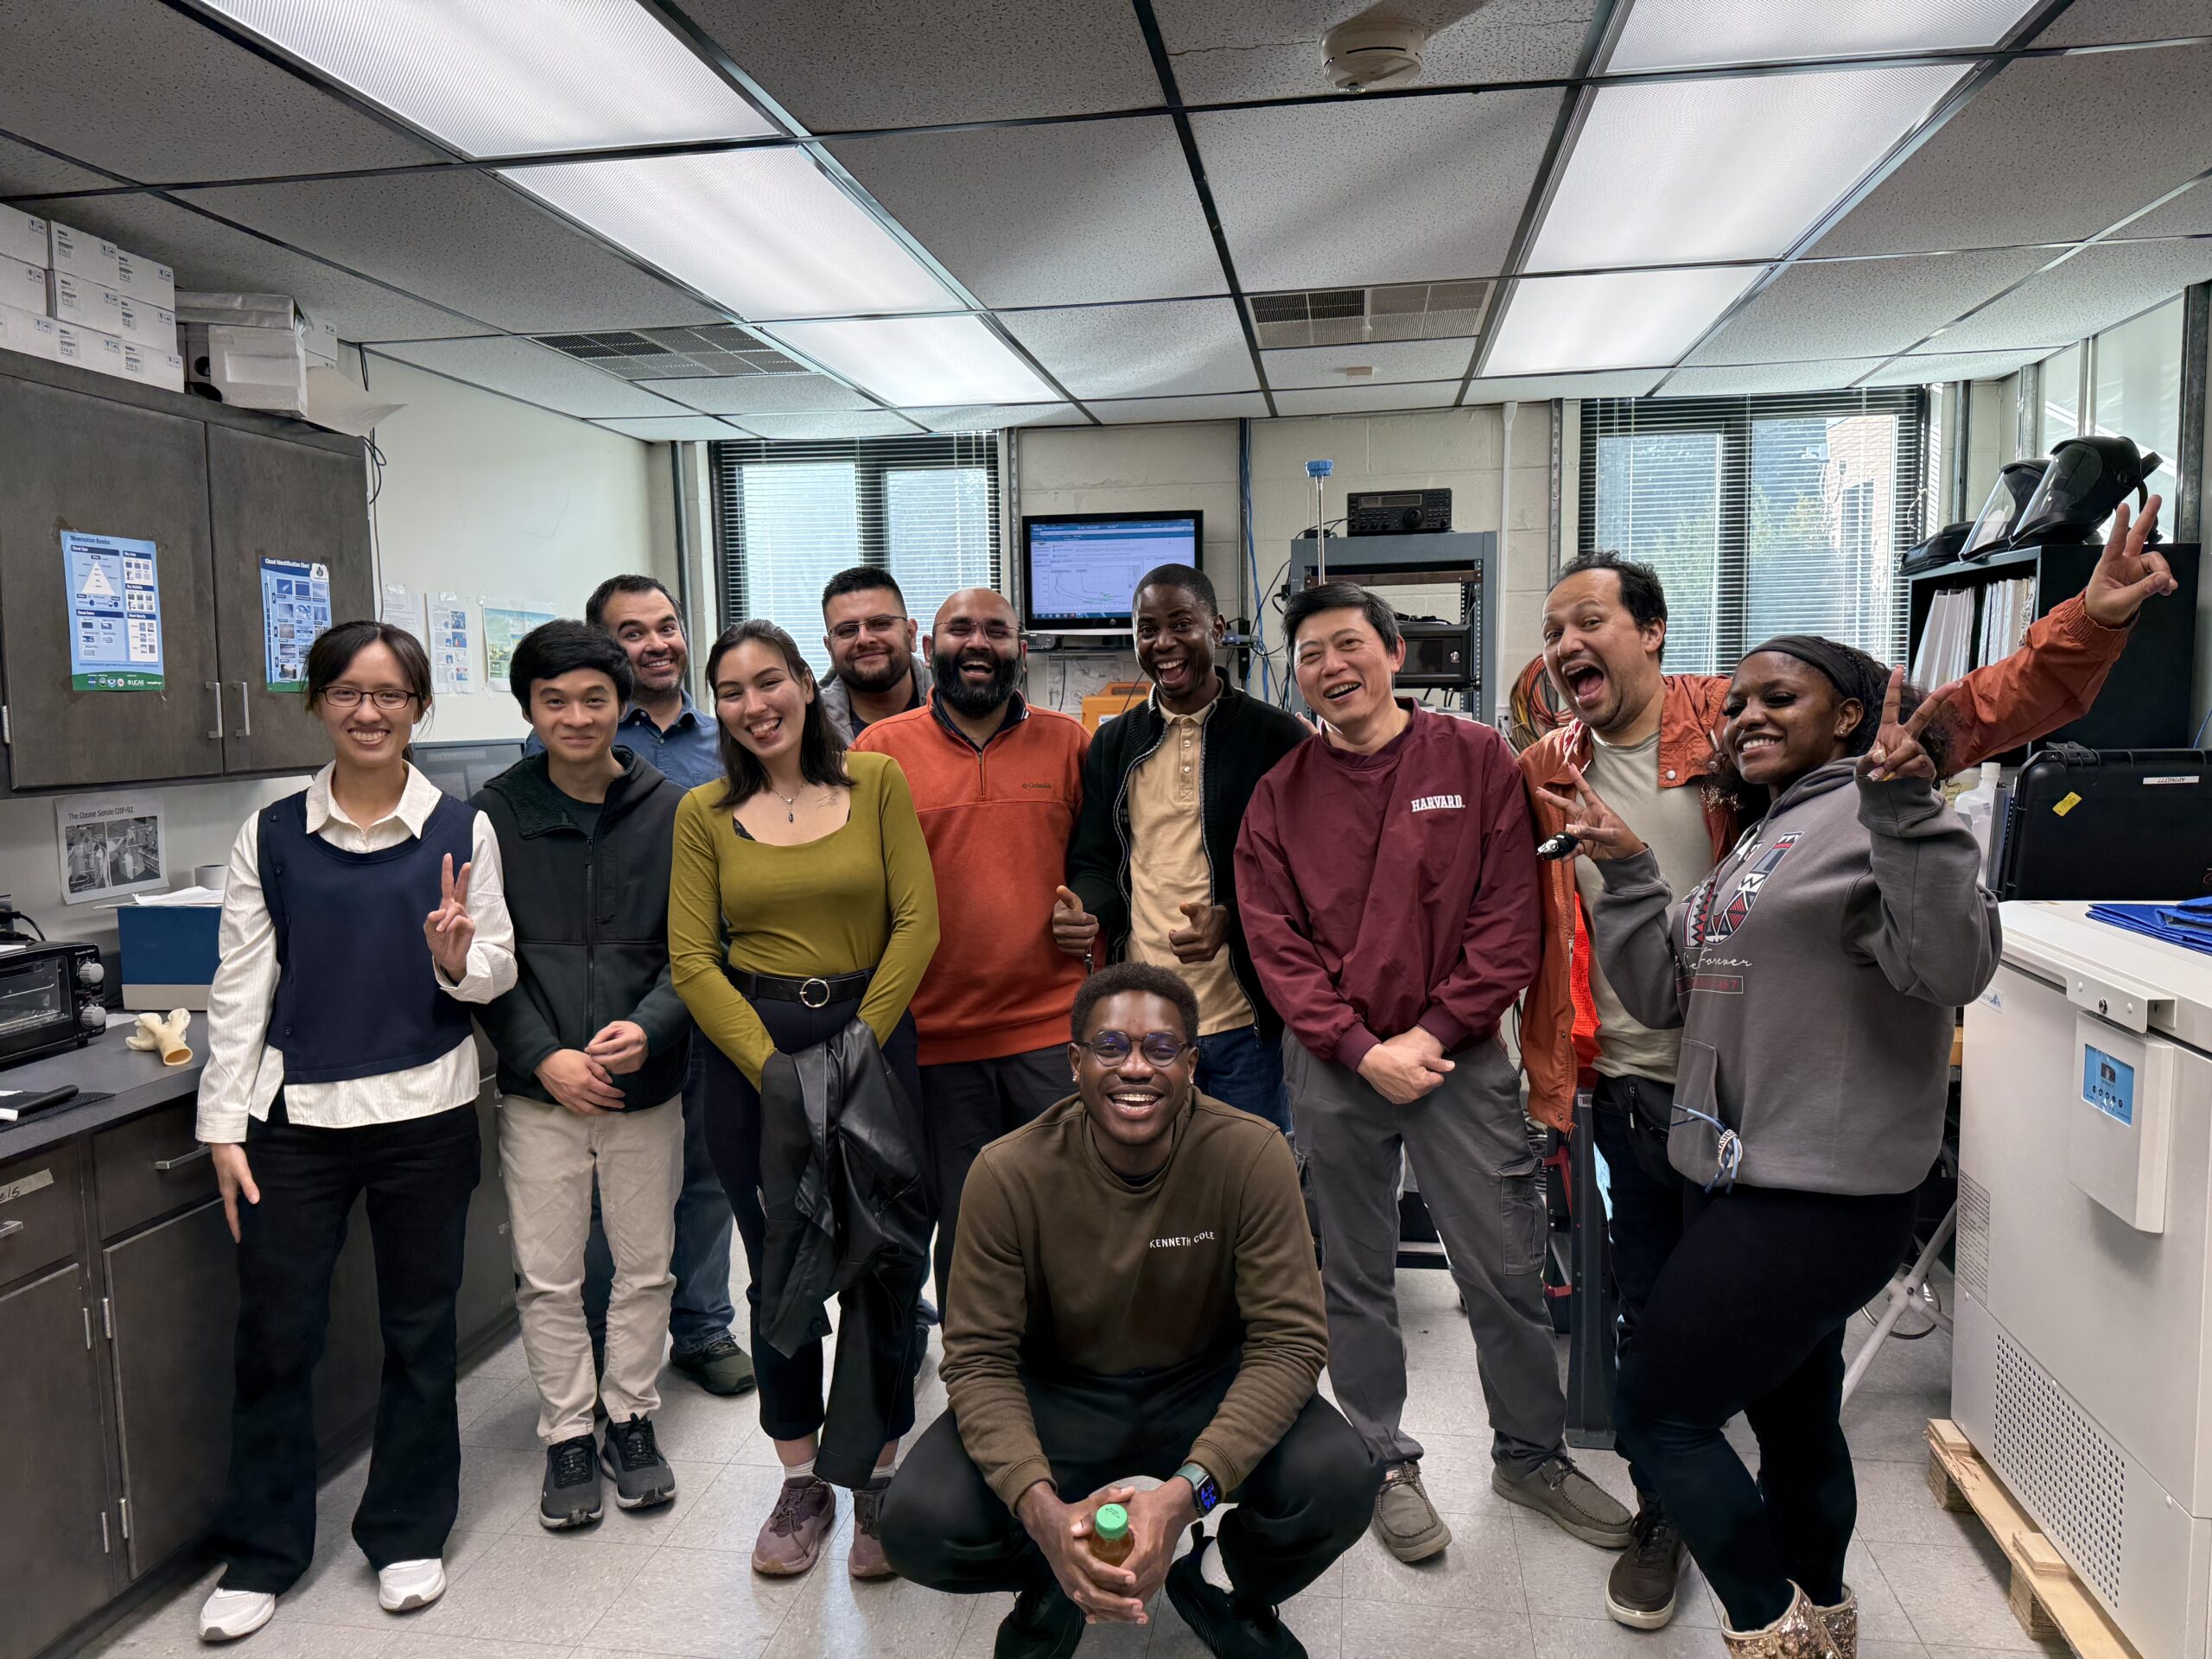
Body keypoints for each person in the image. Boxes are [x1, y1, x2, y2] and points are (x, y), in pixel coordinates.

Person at [1519, 496, 2175, 1627]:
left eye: (1591, 618)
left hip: (1796, 1163)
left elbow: (1972, 719)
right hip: (1658, 1107)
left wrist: (2089, 623)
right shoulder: (1587, 765)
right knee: (1780, 1400)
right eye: (1553, 628)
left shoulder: (1786, 763)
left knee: (1665, 1399)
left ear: (1653, 631)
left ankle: (1770, 1620)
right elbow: (1656, 958)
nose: (1571, 643)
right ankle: (1809, 1598)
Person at [1551, 642, 1999, 1656]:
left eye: (1777, 698)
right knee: (1794, 1418)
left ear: (1848, 717)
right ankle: (1828, 1616)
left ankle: (1772, 1629)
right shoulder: (1768, 831)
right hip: (1739, 1173)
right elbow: (1668, 992)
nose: (1744, 715)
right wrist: (1625, 867)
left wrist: (1905, 814)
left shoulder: (1880, 813)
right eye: (1737, 701)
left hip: (1815, 1193)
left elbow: (1950, 965)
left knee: (1657, 1415)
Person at [1236, 581, 1631, 1565]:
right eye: (1312, 654)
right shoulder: (1280, 796)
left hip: (1460, 1062)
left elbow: (1513, 921)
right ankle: (1381, 1459)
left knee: (1502, 1270)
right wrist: (1360, 1047)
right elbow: (1274, 946)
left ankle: (1530, 1455)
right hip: (1336, 1068)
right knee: (1354, 1277)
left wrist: (1432, 1033)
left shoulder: (1474, 759)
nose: (1332, 666)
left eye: (1348, 645)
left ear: (1394, 653)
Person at [878, 962, 1378, 1659]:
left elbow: (1289, 1344)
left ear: (1193, 1063)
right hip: (1059, 1393)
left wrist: (1187, 1498)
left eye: (1161, 1048)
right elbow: (981, 1361)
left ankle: (1225, 1582)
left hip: (1205, 1383)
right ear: (1075, 1063)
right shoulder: (1005, 1173)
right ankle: (1055, 1578)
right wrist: (1044, 1515)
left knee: (1342, 1480)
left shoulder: (1251, 1154)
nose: (1136, 1068)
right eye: (1111, 1048)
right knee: (913, 1524)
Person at [193, 621, 517, 1643]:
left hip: (425, 1110)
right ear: (318, 704)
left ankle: (407, 1531)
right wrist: (224, 1125)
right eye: (347, 693)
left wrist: (457, 956)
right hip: (297, 1120)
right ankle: (263, 1549)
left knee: (421, 1333)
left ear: (419, 706)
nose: (368, 712)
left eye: (389, 694)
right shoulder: (273, 832)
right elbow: (240, 986)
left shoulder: (462, 830)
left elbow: (497, 972)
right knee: (275, 1333)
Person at [668, 619, 940, 1581]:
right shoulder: (701, 814)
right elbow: (693, 960)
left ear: (801, 684)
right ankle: (800, 1482)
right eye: (732, 690)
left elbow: (917, 918)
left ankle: (875, 1477)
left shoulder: (877, 783)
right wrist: (775, 1070)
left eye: (769, 680)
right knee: (780, 1266)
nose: (755, 704)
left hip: (873, 1039)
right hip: (756, 1061)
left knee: (883, 1267)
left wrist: (859, 1043)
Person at [475, 620, 692, 1530]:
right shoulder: (490, 813)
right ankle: (568, 1431)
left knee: (646, 1269)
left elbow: (699, 950)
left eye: (594, 698)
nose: (576, 716)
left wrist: (648, 1031)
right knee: (549, 1276)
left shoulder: (676, 808)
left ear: (623, 704)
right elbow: (482, 961)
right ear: (528, 708)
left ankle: (631, 1419)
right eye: (554, 700)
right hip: (541, 1094)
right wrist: (542, 1057)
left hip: (646, 1088)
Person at [525, 573, 753, 1402]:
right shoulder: (566, 742)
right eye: (634, 632)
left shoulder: (724, 735)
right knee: (597, 1190)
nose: (657, 644)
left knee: (705, 1171)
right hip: (600, 1004)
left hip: (710, 991)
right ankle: (596, 1344)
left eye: (668, 626)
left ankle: (702, 1325)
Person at [851, 587, 1090, 1310]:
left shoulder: (1070, 742)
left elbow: (1101, 865)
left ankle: (1066, 1386)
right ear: (931, 649)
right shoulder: (879, 752)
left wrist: (1094, 915)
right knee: (966, 1226)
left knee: (1066, 1218)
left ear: (1022, 648)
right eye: (961, 629)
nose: (978, 643)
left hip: (1052, 1034)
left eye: (997, 630)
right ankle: (980, 1390)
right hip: (933, 1041)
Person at [1058, 564, 1309, 1135]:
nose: (1163, 643)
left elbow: (1309, 875)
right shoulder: (1114, 743)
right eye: (1147, 629)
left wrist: (1234, 920)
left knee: (1249, 1182)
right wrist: (1087, 909)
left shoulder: (1277, 739)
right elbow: (1098, 861)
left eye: (1181, 624)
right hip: (1145, 1022)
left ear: (1216, 628)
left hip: (1243, 1020)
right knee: (1147, 1182)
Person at [819, 567, 934, 741]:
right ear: (830, 649)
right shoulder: (809, 728)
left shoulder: (957, 704)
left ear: (910, 634)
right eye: (847, 631)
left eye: (880, 624)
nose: (864, 639)